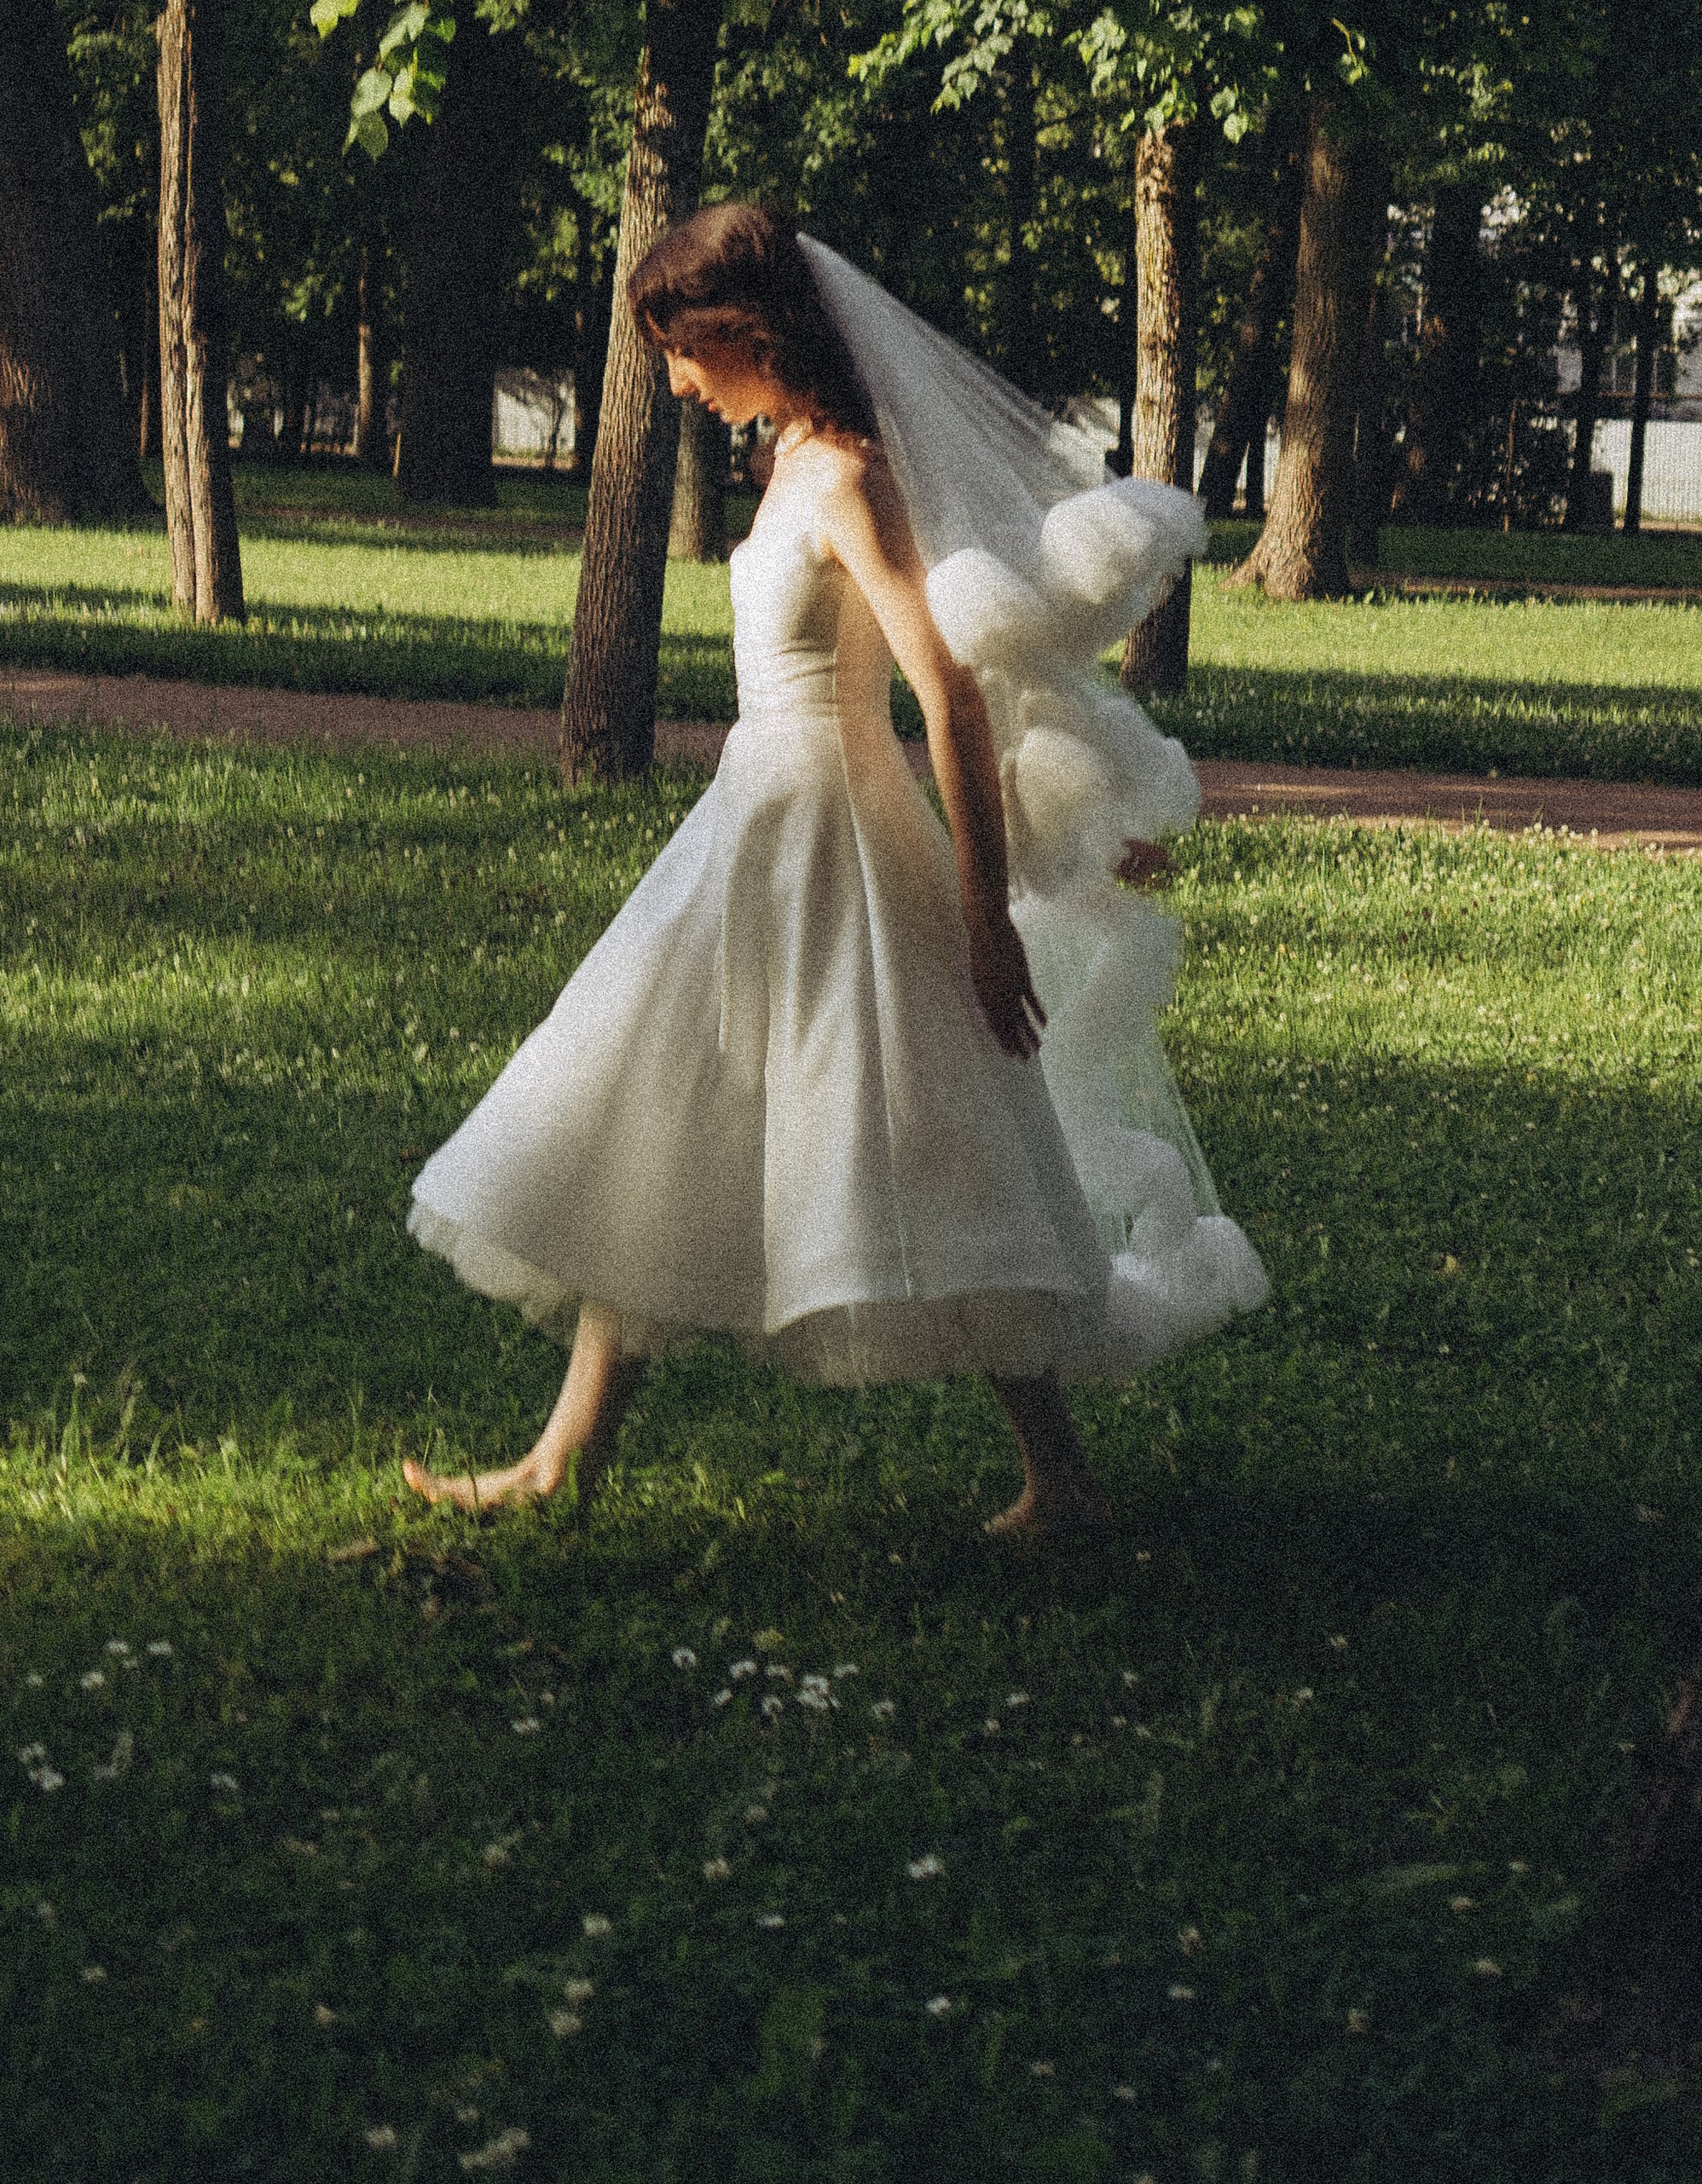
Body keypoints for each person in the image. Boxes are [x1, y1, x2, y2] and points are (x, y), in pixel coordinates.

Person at [402, 205, 1266, 1537]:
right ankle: (562, 1460)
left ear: (741, 332)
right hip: (754, 820)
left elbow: (950, 695)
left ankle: (1063, 1479)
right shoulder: (788, 466)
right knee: (664, 1110)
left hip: (839, 832)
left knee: (949, 1138)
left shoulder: (850, 480)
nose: (676, 381)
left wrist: (988, 918)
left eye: (680, 352)